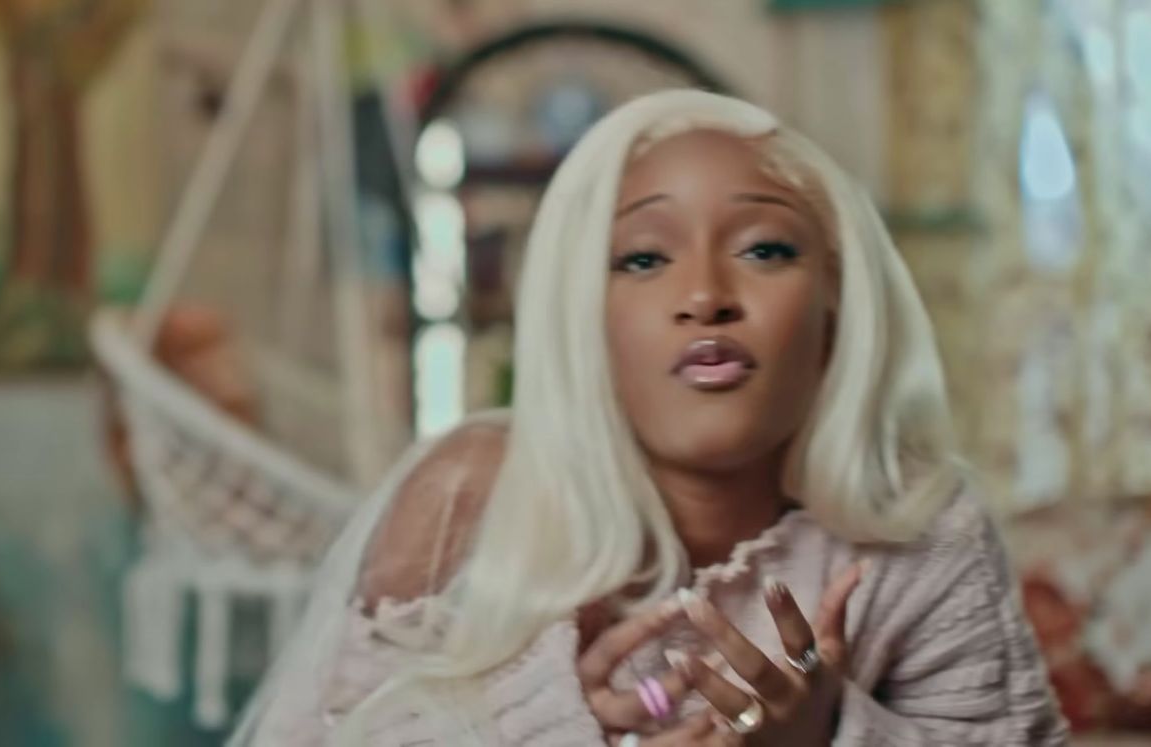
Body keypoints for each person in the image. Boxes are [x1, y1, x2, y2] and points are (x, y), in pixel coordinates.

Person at [229, 90, 1069, 745]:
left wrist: (831, 733)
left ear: (837, 310)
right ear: (581, 316)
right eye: (643, 257)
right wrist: (570, 727)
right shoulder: (473, 499)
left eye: (764, 249)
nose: (705, 295)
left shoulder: (922, 533)